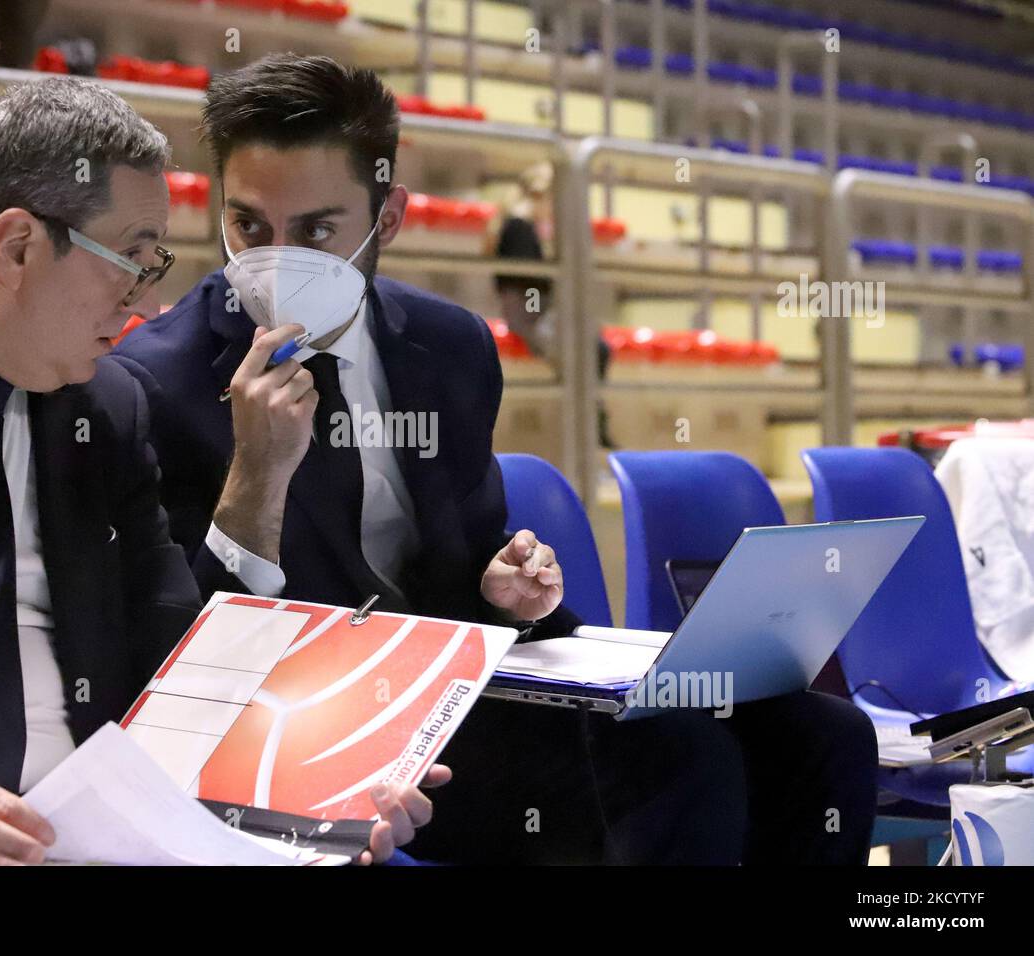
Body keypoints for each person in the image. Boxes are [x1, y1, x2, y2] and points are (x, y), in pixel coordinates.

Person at [115, 53, 880, 865]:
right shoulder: (156, 382)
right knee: (682, 757)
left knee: (822, 734)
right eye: (248, 226)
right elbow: (181, 672)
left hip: (461, 694)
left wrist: (512, 591)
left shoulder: (449, 346)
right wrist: (255, 479)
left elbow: (469, 574)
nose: (277, 258)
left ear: (389, 218)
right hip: (315, 728)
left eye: (315, 231)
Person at [0, 77, 440, 866]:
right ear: (18, 247)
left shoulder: (106, 407)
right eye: (134, 261)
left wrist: (328, 781)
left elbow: (174, 660)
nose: (145, 300)